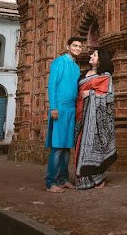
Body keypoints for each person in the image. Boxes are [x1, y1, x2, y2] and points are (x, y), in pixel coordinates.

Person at [75, 47, 117, 190]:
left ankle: (99, 178)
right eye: (92, 54)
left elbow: (109, 96)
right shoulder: (84, 74)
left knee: (95, 147)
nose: (91, 56)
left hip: (96, 120)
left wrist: (91, 93)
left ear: (101, 60)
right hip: (80, 114)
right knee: (80, 145)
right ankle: (83, 179)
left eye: (94, 55)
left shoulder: (105, 76)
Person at [45, 36, 83, 193]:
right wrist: (53, 106)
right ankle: (51, 182)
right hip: (59, 108)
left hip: (71, 110)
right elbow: (52, 85)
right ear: (68, 47)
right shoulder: (59, 62)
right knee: (57, 147)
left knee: (67, 146)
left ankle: (63, 179)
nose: (77, 48)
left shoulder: (76, 67)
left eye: (80, 46)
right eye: (75, 45)